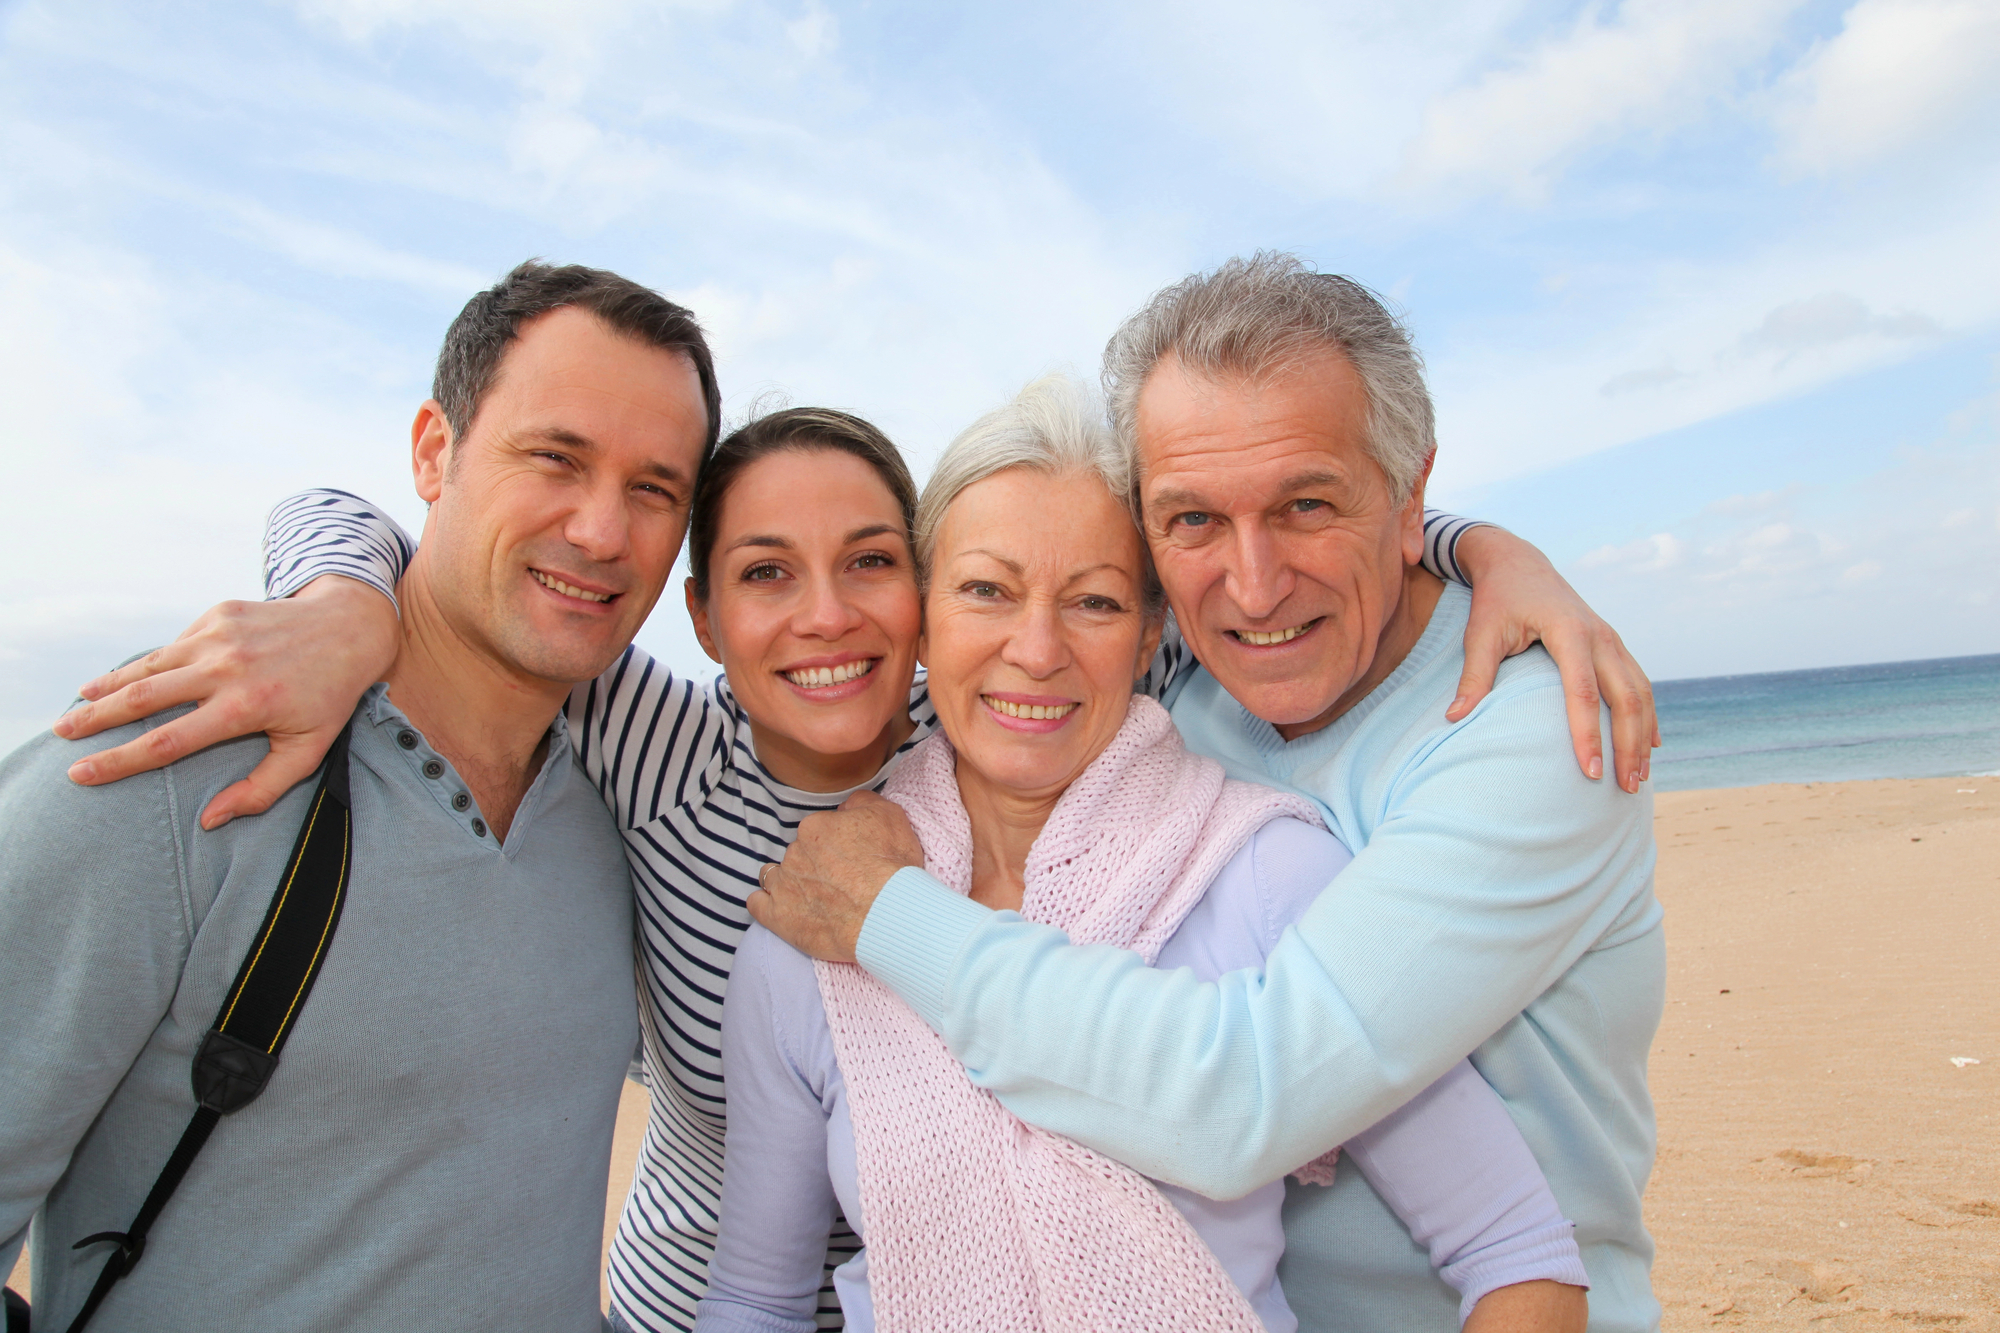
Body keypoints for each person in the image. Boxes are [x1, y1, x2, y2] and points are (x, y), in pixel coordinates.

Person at [55, 286, 1657, 1333]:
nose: (825, 616)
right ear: (693, 607)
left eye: (872, 563)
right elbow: (467, 561)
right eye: (761, 573)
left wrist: (1468, 546)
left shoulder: (1158, 781)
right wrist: (345, 602)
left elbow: (1236, 545)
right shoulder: (654, 748)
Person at [748, 255, 1667, 1333]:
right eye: (1191, 522)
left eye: (1306, 505)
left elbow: (1244, 1095)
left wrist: (890, 916)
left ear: (1407, 490)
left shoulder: (1536, 735)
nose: (1251, 581)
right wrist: (1482, 544)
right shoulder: (1199, 686)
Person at [0, 260, 718, 1330]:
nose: (604, 531)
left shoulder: (624, 811)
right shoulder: (167, 768)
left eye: (654, 488)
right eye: (553, 457)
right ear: (435, 451)